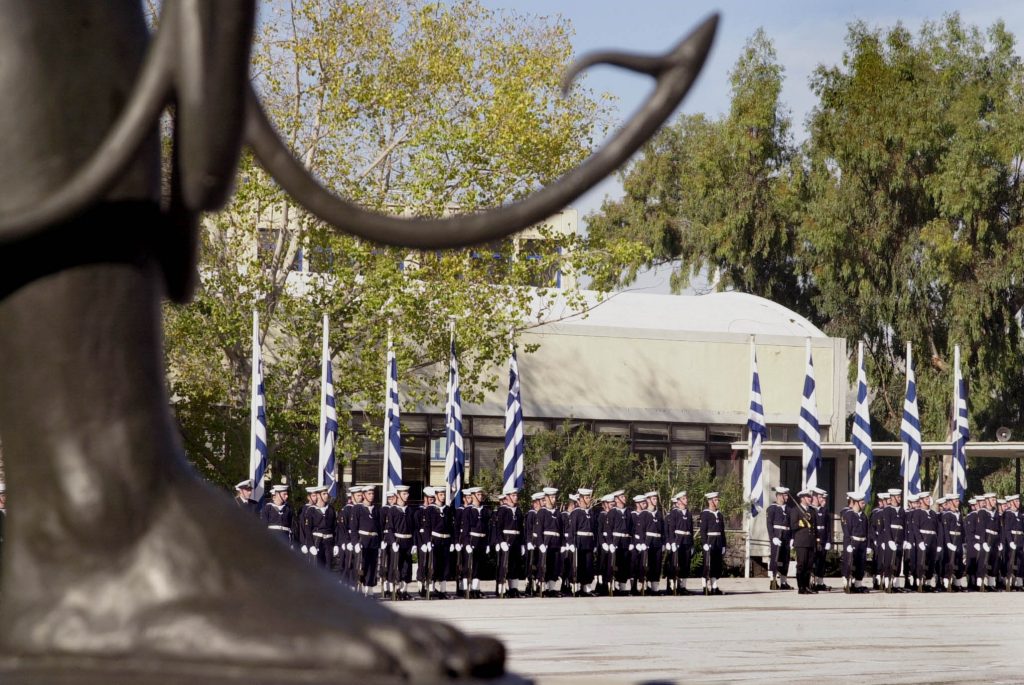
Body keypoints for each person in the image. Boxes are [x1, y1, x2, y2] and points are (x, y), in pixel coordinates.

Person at [491, 486, 523, 598]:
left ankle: (513, 588)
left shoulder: (518, 510)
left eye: (516, 495)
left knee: (515, 565)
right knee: (504, 566)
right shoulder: (502, 510)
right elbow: (498, 528)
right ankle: (502, 589)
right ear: (508, 497)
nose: (516, 497)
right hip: (506, 540)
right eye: (513, 495)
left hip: (516, 541)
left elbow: (521, 528)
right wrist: (501, 541)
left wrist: (522, 544)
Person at [386, 485, 415, 600]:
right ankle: (394, 590)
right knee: (395, 566)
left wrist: (414, 544)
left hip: (408, 541)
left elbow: (414, 528)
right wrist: (393, 542)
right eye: (404, 494)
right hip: (398, 541)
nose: (407, 496)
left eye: (407, 493)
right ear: (398, 495)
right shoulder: (392, 510)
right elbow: (390, 528)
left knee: (407, 567)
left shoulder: (410, 510)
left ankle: (403, 590)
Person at [568, 488, 597, 596]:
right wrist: (571, 543)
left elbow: (594, 529)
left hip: (589, 542)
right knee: (579, 565)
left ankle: (587, 588)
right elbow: (572, 530)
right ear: (581, 499)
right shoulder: (576, 513)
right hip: (579, 542)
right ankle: (576, 588)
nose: (589, 500)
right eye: (587, 498)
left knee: (588, 565)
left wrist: (595, 544)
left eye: (589, 497)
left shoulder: (591, 512)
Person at [534, 487, 562, 597]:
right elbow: (538, 530)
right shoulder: (542, 512)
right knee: (544, 565)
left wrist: (563, 544)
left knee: (554, 566)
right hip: (546, 542)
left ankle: (551, 588)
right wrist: (540, 543)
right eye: (552, 497)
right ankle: (543, 588)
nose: (554, 499)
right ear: (546, 498)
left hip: (556, 542)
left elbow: (561, 530)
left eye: (554, 497)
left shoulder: (558, 513)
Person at [664, 491, 694, 595]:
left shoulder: (688, 513)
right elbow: (670, 529)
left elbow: (691, 530)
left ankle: (682, 587)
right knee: (674, 564)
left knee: (686, 564)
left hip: (686, 541)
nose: (686, 500)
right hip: (678, 540)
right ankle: (672, 587)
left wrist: (692, 544)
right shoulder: (674, 513)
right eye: (684, 498)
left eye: (686, 498)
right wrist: (671, 542)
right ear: (679, 501)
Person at [789, 489, 817, 595]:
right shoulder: (795, 510)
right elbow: (793, 525)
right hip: (801, 542)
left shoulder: (812, 511)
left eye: (811, 497)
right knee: (801, 565)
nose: (810, 499)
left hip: (810, 541)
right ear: (802, 498)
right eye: (808, 497)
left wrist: (817, 540)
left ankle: (807, 586)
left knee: (809, 565)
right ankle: (801, 587)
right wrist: (803, 521)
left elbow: (814, 527)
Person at [840, 492, 869, 593]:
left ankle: (858, 585)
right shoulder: (848, 515)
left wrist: (868, 545)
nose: (864, 504)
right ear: (856, 503)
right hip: (853, 542)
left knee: (861, 564)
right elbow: (846, 531)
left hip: (862, 543)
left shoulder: (864, 516)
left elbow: (867, 531)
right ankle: (847, 583)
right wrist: (848, 544)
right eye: (862, 503)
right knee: (849, 564)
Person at [765, 486, 792, 590]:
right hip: (777, 535)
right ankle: (773, 580)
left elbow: (791, 525)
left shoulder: (789, 509)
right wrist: (773, 537)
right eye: (785, 495)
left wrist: (792, 538)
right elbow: (769, 524)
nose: (787, 497)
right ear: (779, 496)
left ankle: (784, 582)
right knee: (775, 559)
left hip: (786, 536)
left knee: (785, 559)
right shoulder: (772, 508)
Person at [699, 491, 726, 596]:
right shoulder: (705, 514)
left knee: (716, 564)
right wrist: (704, 542)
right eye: (715, 500)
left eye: (717, 499)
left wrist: (724, 545)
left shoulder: (719, 514)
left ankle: (714, 587)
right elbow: (702, 530)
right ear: (710, 501)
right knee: (707, 564)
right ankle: (705, 587)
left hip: (718, 541)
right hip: (710, 540)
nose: (717, 501)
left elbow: (722, 531)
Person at [607, 490, 632, 596]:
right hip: (616, 540)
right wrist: (610, 543)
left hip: (626, 540)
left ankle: (622, 587)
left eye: (624, 496)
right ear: (616, 499)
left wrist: (632, 542)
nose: (624, 498)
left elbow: (632, 528)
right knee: (614, 564)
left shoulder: (628, 511)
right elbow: (608, 529)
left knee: (624, 564)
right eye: (622, 497)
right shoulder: (612, 512)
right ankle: (613, 586)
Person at [811, 487, 831, 591]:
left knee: (821, 561)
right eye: (820, 497)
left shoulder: (824, 510)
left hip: (823, 538)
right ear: (814, 497)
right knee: (812, 561)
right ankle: (812, 582)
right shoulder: (810, 509)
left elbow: (828, 527)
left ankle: (820, 582)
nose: (822, 499)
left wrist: (828, 540)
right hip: (813, 538)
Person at [261, 484, 293, 548]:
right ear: (278, 494)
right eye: (284, 494)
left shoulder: (288, 508)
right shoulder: (268, 507)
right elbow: (263, 525)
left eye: (287, 494)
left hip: (285, 539)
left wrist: (292, 542)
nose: (287, 496)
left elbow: (292, 526)